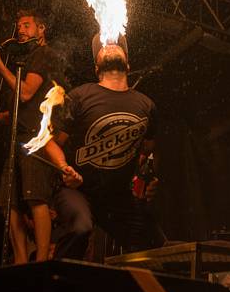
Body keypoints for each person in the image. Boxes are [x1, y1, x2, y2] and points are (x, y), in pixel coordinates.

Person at [44, 34, 163, 260]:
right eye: (103, 46)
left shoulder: (146, 105)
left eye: (117, 44)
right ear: (96, 67)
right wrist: (63, 168)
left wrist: (149, 177)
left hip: (118, 197)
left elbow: (150, 149)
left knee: (155, 244)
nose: (110, 45)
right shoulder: (80, 96)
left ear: (128, 63)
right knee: (81, 227)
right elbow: (50, 141)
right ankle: (55, 287)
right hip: (78, 190)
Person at [0, 9, 62, 264]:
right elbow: (20, 108)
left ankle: (41, 263)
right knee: (8, 203)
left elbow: (25, 94)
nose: (21, 31)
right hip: (17, 138)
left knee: (36, 198)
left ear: (41, 29)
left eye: (27, 25)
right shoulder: (24, 60)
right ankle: (20, 260)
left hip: (35, 140)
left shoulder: (43, 55)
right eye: (19, 27)